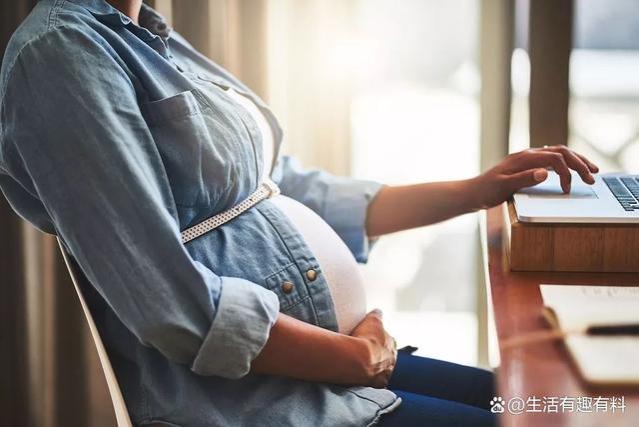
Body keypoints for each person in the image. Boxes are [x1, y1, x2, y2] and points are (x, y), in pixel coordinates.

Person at [0, 0, 599, 425]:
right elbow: (171, 303)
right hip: (257, 400)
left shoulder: (147, 32)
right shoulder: (61, 52)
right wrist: (357, 358)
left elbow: (287, 187)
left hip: (328, 363)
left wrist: (474, 189)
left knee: (531, 402)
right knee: (544, 416)